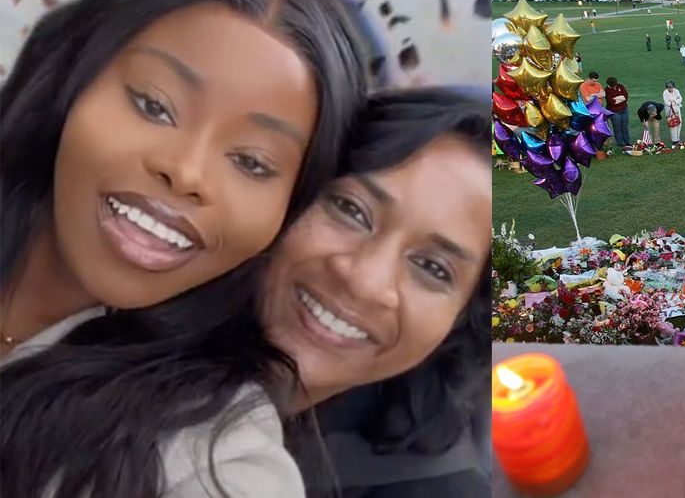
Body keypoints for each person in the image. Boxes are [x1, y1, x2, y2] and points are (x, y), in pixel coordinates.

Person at [1, 89, 492, 498]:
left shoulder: (430, 483)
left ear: (460, 320)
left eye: (432, 268)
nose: (363, 279)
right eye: (351, 210)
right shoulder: (103, 288)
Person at [0, 0, 370, 354]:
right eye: (153, 105)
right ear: (71, 79)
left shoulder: (209, 416)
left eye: (252, 162)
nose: (187, 172)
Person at [605, 77, 631, 149]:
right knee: (617, 127)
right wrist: (621, 98)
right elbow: (612, 102)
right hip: (614, 111)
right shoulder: (607, 90)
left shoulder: (620, 86)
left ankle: (627, 141)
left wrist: (617, 98)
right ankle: (620, 142)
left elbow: (625, 96)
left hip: (624, 109)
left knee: (625, 125)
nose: (615, 86)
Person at [663, 80, 684, 147]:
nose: (670, 89)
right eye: (669, 88)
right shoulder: (665, 92)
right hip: (670, 111)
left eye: (671, 87)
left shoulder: (676, 91)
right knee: (673, 124)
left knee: (679, 123)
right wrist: (675, 99)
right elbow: (667, 102)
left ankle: (678, 138)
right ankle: (674, 140)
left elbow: (680, 99)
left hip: (677, 109)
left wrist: (673, 100)